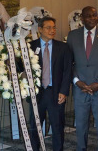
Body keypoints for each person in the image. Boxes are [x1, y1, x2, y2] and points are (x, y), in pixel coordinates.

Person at [67, 6, 98, 151]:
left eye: (95, 15)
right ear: (82, 18)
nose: (92, 18)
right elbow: (68, 63)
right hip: (80, 89)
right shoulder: (73, 36)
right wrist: (77, 81)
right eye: (88, 16)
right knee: (81, 125)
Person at [28, 17, 72, 151]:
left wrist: (64, 91)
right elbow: (22, 67)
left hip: (56, 93)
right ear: (40, 29)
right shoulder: (30, 46)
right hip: (37, 93)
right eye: (48, 28)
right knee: (35, 126)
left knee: (58, 126)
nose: (52, 31)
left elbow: (68, 71)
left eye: (54, 28)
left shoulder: (63, 47)